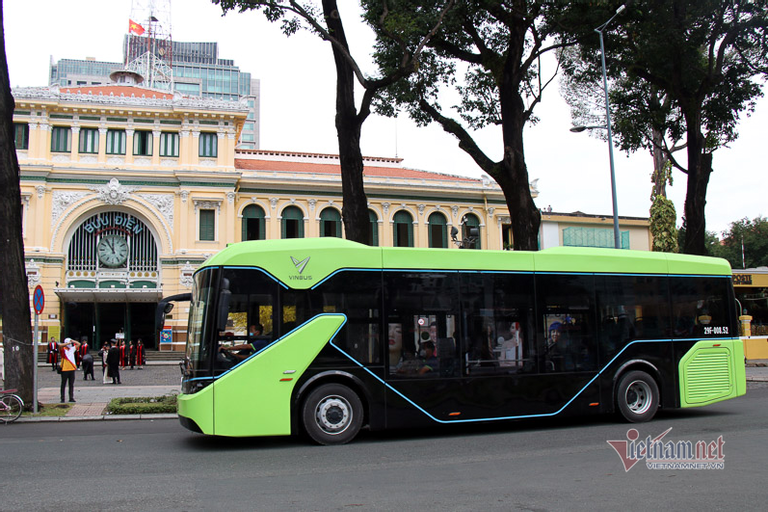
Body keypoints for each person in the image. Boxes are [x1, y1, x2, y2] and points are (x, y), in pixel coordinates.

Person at [58, 337, 81, 403]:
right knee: (63, 384)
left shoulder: (72, 349)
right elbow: (59, 345)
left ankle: (71, 397)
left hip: (72, 369)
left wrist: (72, 341)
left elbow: (78, 344)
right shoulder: (63, 349)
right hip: (64, 369)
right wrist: (67, 343)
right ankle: (62, 398)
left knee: (71, 384)